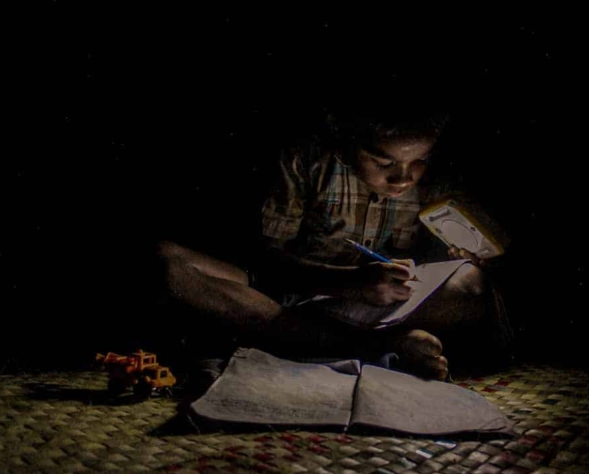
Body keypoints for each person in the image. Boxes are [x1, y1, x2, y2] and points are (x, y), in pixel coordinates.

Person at [157, 104, 514, 386]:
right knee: (167, 264)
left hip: (374, 308)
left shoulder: (434, 181)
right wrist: (349, 282)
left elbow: (474, 248)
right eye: (383, 161)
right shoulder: (307, 161)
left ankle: (310, 345)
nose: (403, 177)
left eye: (419, 160)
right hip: (285, 298)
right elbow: (267, 261)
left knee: (470, 287)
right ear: (348, 140)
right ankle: (376, 349)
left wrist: (472, 257)